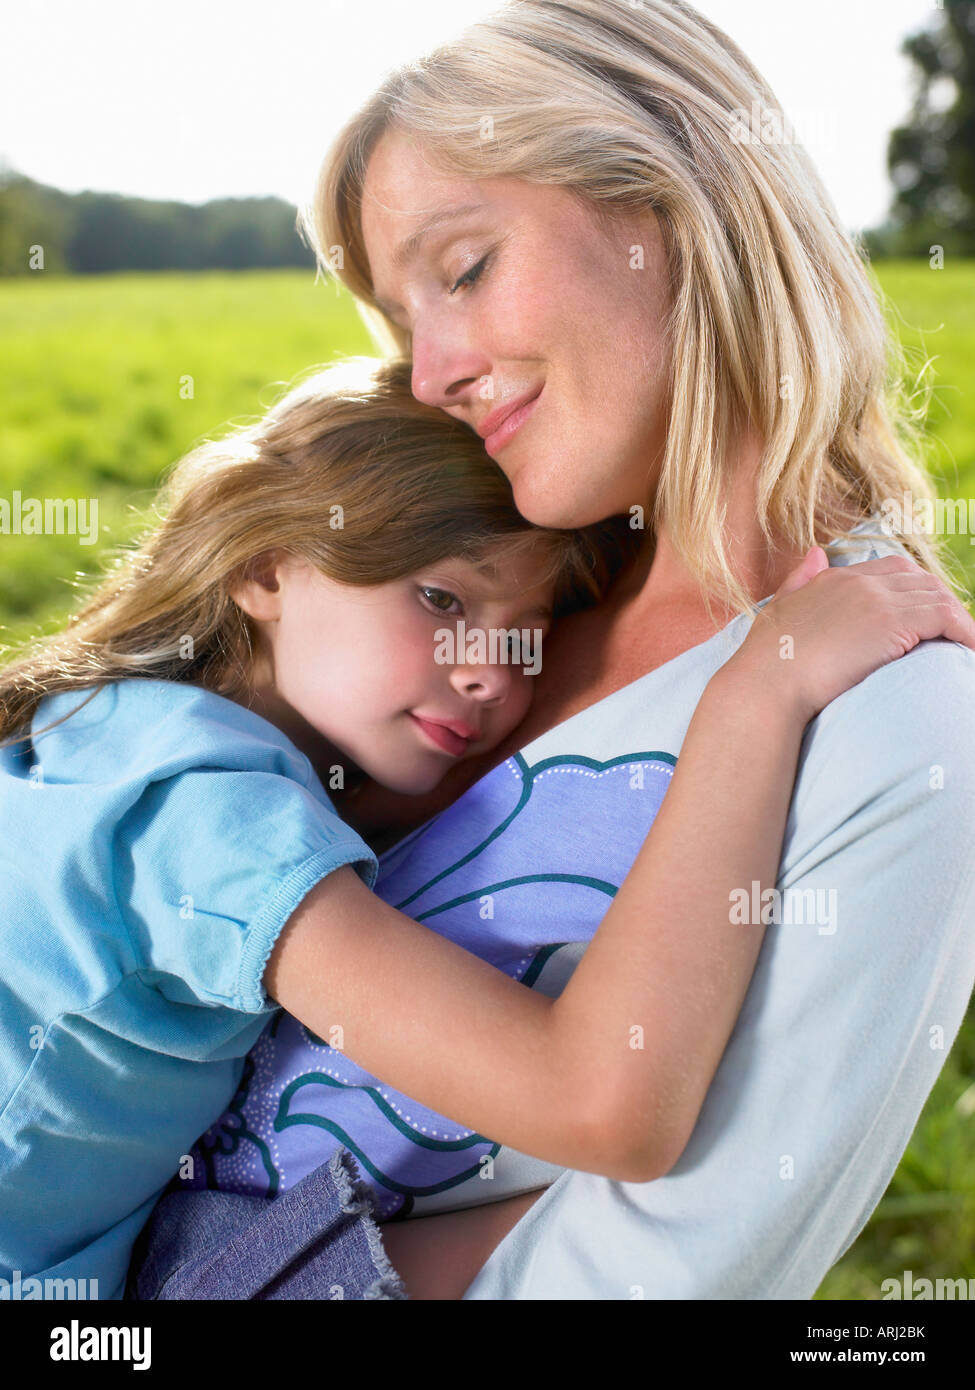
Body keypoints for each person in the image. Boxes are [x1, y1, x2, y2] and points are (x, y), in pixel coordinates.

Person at [274, 0, 975, 1299]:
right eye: (401, 312)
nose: (426, 374)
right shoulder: (512, 602)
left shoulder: (900, 719)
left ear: (668, 203)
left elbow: (666, 1261)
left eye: (465, 266)